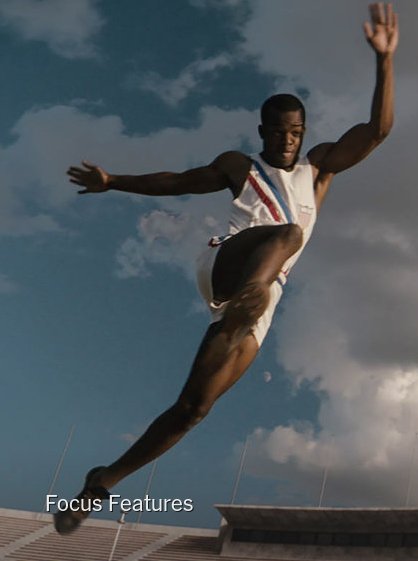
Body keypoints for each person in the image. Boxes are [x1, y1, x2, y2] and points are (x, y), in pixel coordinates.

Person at [55, 3, 398, 535]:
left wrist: (384, 63)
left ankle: (99, 483)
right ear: (263, 130)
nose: (288, 140)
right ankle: (248, 298)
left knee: (194, 409)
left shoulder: (319, 170)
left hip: (264, 295)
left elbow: (376, 131)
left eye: (296, 132)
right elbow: (178, 181)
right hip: (230, 262)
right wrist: (114, 181)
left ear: (305, 133)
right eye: (280, 131)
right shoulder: (242, 166)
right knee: (288, 234)